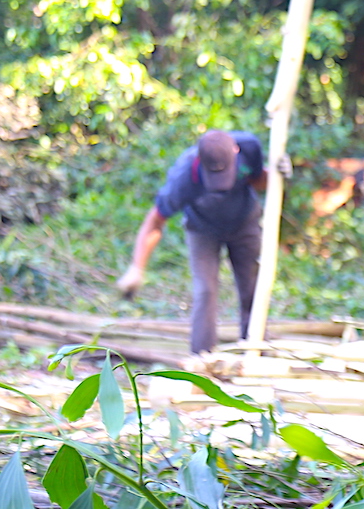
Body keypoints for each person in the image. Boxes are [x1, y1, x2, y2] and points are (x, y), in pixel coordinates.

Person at [116, 129, 271, 354]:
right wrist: (137, 268)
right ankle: (202, 358)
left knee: (251, 288)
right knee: (205, 291)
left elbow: (258, 180)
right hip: (202, 229)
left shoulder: (249, 148)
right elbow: (154, 222)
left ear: (235, 151)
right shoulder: (184, 177)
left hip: (243, 222)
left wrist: (276, 174)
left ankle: (256, 350)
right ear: (200, 160)